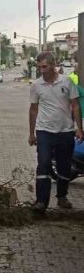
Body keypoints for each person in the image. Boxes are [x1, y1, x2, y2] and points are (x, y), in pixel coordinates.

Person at [28, 52, 83, 213]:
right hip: (44, 131)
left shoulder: (66, 82)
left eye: (44, 66)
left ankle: (61, 196)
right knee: (43, 163)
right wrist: (32, 133)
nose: (42, 70)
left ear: (53, 65)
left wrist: (79, 128)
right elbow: (33, 110)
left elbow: (75, 106)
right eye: (39, 67)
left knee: (64, 166)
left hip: (65, 132)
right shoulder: (36, 85)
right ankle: (41, 202)